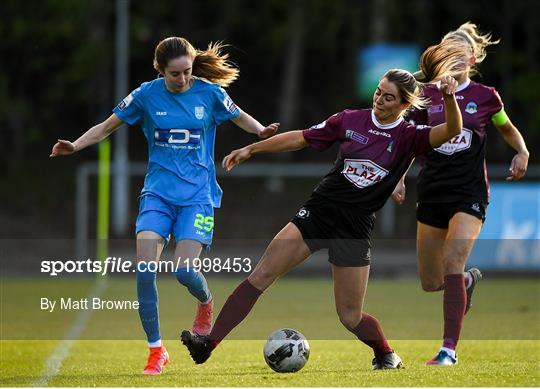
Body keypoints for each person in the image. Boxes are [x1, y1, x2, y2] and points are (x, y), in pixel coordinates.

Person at [180, 40, 467, 370]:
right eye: (378, 92)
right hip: (318, 212)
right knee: (260, 275)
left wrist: (448, 97)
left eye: (388, 97)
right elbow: (300, 137)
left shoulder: (409, 136)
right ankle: (208, 343)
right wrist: (252, 150)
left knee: (350, 317)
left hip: (353, 228)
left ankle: (386, 353)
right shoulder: (350, 120)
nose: (379, 100)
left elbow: (453, 130)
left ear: (404, 105)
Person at [49, 36, 279, 375]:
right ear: (160, 71)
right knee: (144, 270)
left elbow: (240, 116)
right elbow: (106, 127)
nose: (183, 80)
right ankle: (157, 350)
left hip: (198, 198)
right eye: (175, 74)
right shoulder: (145, 95)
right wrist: (76, 145)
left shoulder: (209, 93)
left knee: (184, 270)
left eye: (187, 72)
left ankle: (205, 302)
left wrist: (260, 131)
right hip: (157, 195)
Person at [391, 22, 529, 366]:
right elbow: (412, 140)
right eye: (445, 52)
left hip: (469, 193)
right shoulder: (427, 95)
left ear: (470, 58)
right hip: (433, 191)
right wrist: (399, 177)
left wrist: (522, 151)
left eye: (457, 52)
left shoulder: (486, 96)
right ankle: (465, 282)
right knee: (430, 281)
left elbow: (506, 128)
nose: (451, 58)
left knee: (453, 259)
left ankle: (448, 350)